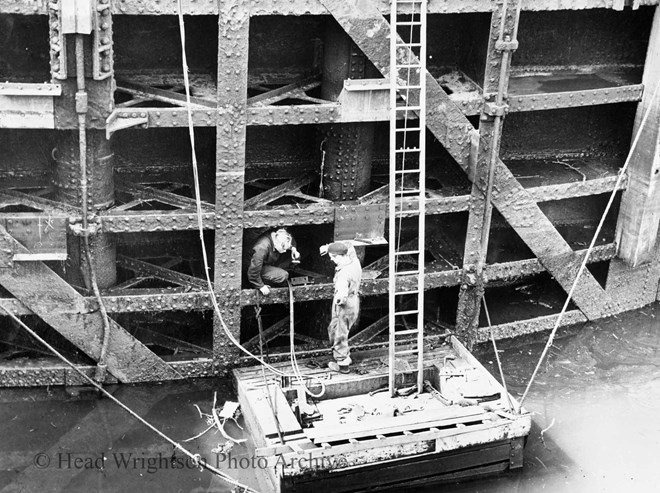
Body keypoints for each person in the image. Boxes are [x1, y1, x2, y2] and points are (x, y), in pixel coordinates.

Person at [321, 241, 362, 374]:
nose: (331, 259)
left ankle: (342, 363)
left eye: (333, 257)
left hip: (344, 305)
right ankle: (345, 357)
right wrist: (328, 247)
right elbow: (349, 245)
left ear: (339, 256)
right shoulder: (354, 261)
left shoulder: (343, 275)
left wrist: (339, 299)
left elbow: (342, 292)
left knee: (338, 332)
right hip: (354, 300)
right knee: (343, 330)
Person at [247, 229, 300, 295]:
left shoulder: (276, 236)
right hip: (252, 266)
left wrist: (293, 249)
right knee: (283, 275)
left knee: (286, 259)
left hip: (262, 262)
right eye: (283, 248)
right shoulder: (262, 247)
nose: (284, 251)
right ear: (279, 242)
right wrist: (260, 286)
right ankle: (260, 282)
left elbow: (288, 239)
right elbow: (254, 270)